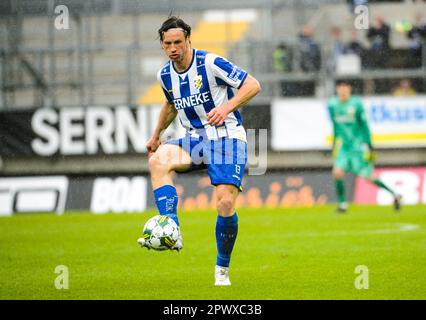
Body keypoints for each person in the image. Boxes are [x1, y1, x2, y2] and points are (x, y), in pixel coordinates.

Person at [138, 16, 261, 286]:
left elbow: (252, 84)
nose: (173, 48)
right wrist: (156, 135)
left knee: (225, 203)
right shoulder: (164, 75)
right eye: (168, 43)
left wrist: (226, 108)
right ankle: (171, 227)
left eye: (178, 42)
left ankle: (222, 269)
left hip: (228, 137)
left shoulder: (211, 63)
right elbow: (171, 105)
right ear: (162, 44)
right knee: (158, 161)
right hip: (194, 139)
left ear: (188, 40)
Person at [327, 80, 401, 213]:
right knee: (337, 172)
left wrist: (369, 144)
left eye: (345, 87)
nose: (342, 90)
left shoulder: (356, 104)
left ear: (349, 89)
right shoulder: (332, 105)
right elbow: (335, 127)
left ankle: (394, 194)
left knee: (368, 177)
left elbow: (364, 125)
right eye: (340, 87)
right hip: (343, 146)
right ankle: (343, 204)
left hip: (357, 145)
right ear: (337, 89)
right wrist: (333, 144)